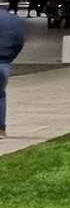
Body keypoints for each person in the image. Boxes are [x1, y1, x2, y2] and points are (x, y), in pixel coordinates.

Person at [0, 8, 26, 139]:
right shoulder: (12, 20)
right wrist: (9, 57)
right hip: (4, 60)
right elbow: (19, 41)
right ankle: (0, 129)